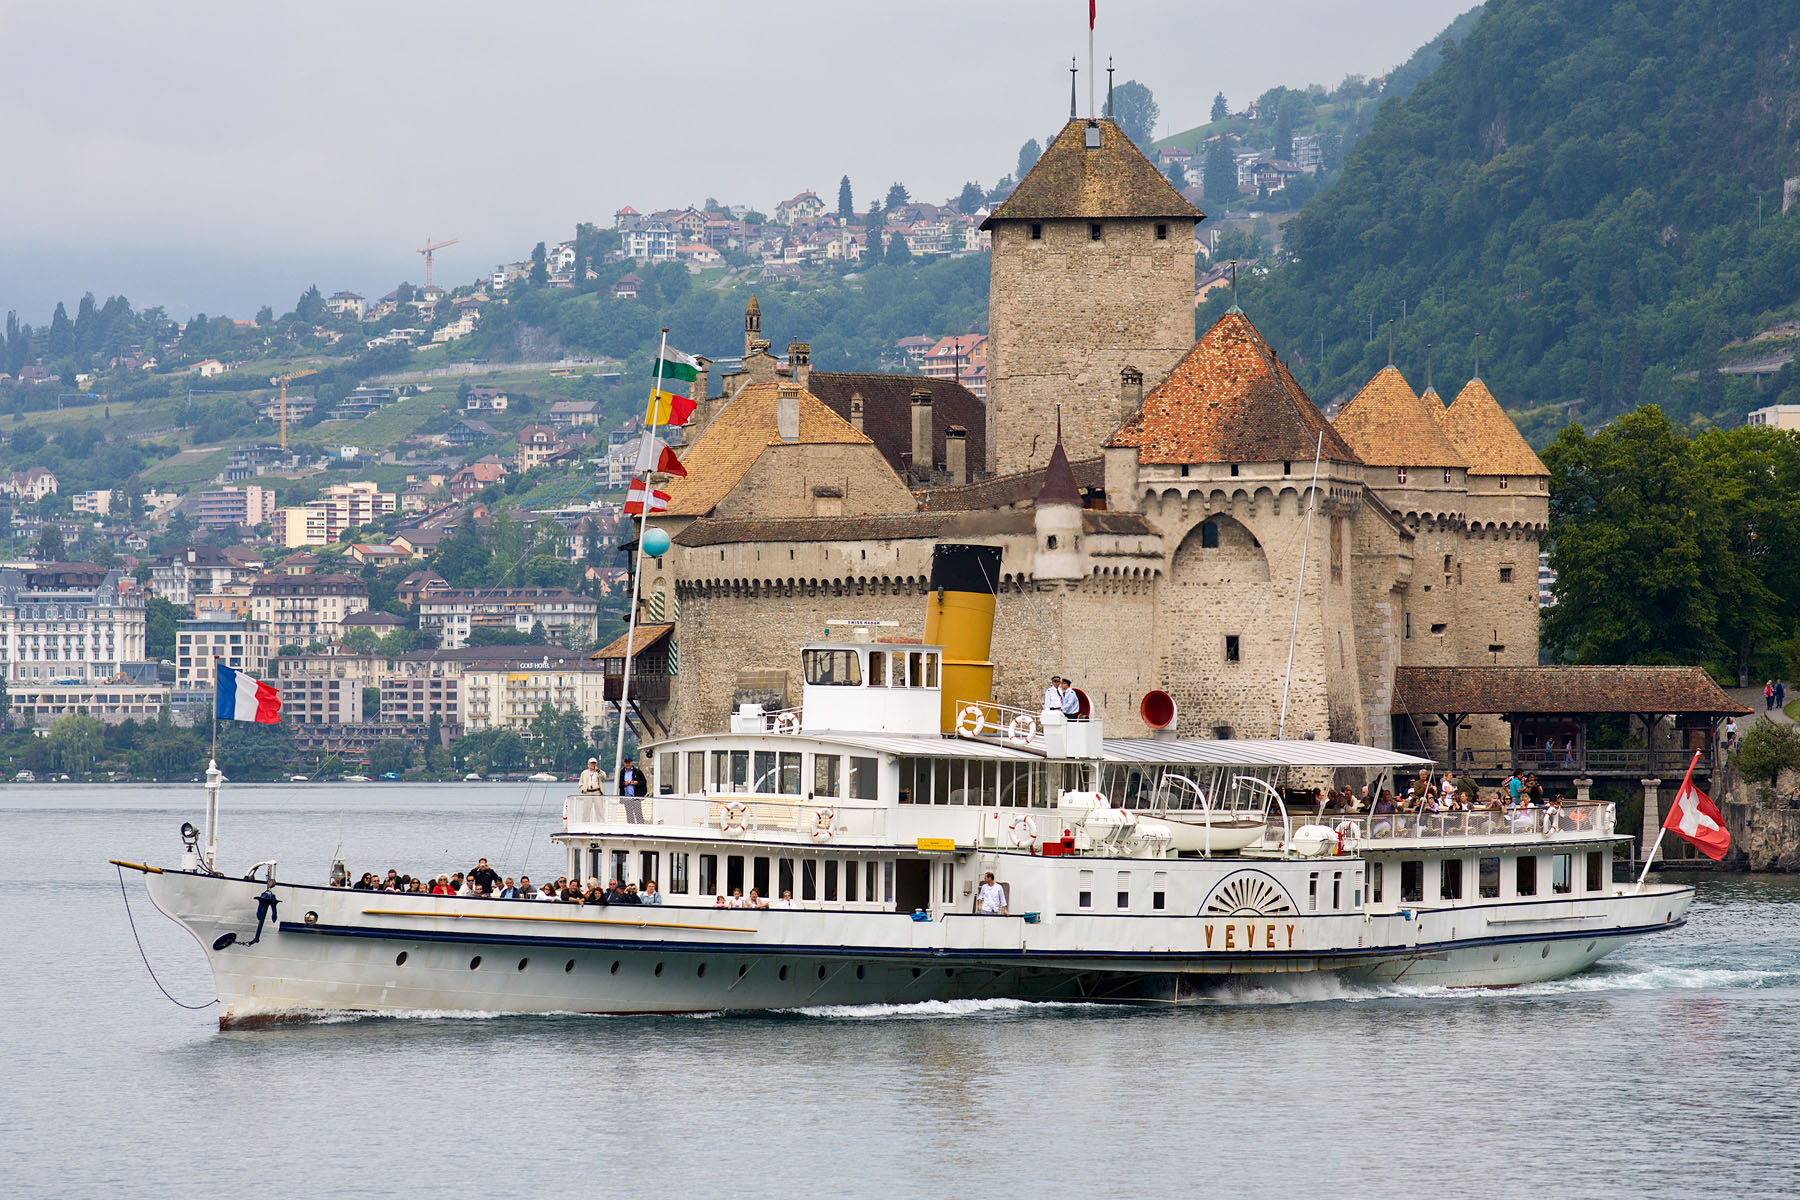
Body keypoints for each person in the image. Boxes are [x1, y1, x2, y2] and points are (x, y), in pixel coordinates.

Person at [618, 755, 647, 823]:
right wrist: (624, 783)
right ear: (624, 763)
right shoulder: (622, 772)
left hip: (636, 796)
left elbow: (644, 782)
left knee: (638, 813)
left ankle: (640, 825)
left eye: (629, 763)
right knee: (629, 814)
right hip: (626, 797)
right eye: (626, 763)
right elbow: (618, 784)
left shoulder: (637, 771)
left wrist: (637, 782)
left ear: (632, 763)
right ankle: (631, 825)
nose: (627, 764)